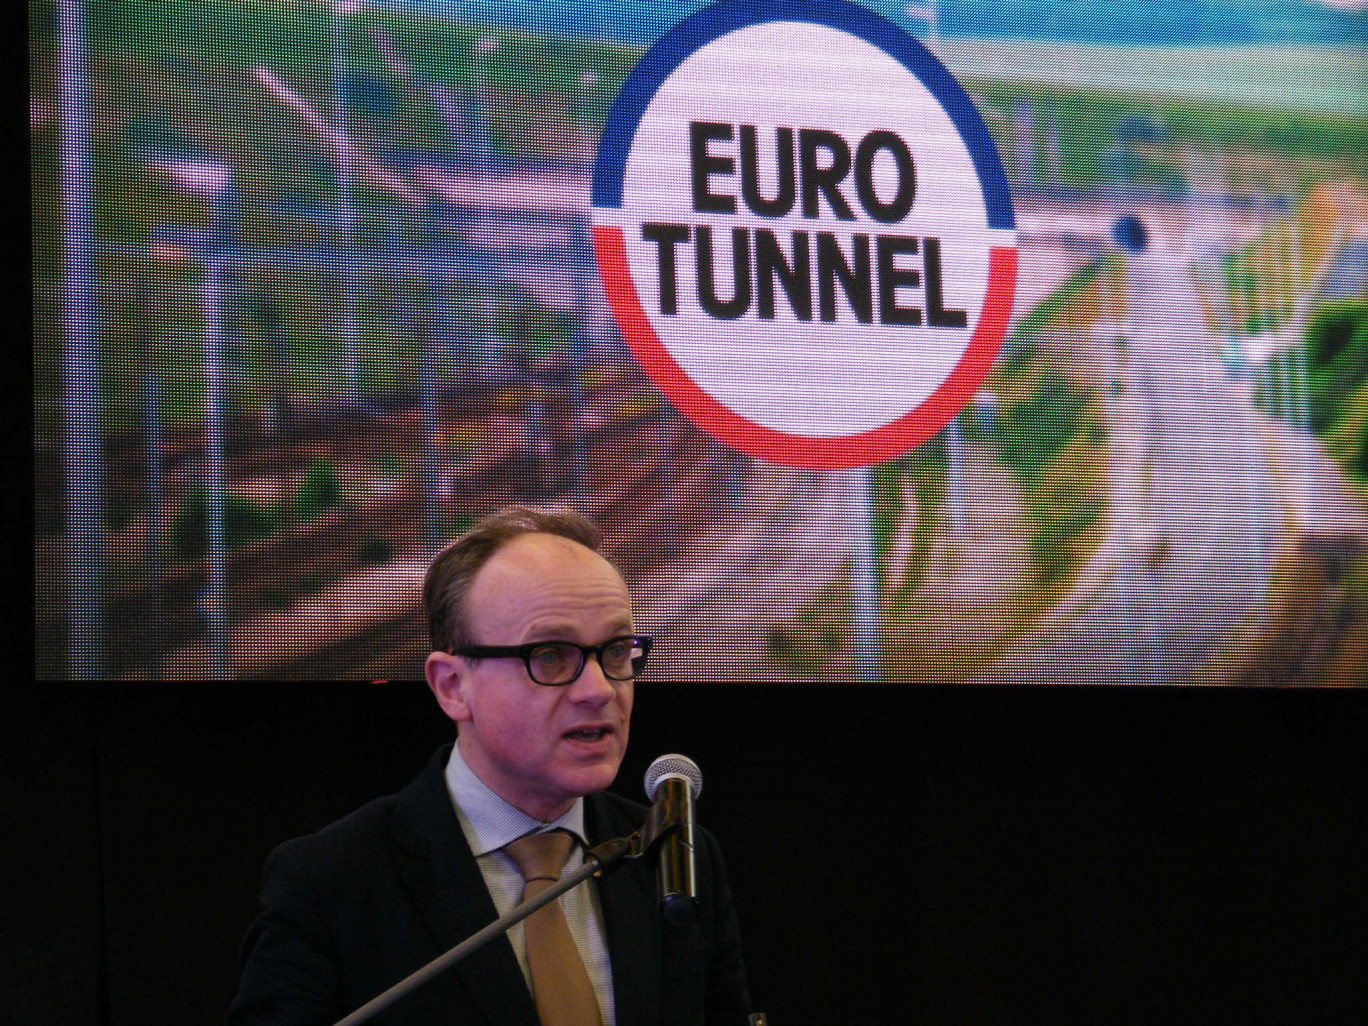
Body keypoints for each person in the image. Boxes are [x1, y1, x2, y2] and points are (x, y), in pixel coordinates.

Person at [227, 505, 752, 1025]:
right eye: (550, 656)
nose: (599, 690)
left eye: (615, 651)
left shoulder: (677, 857)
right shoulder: (332, 882)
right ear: (453, 687)